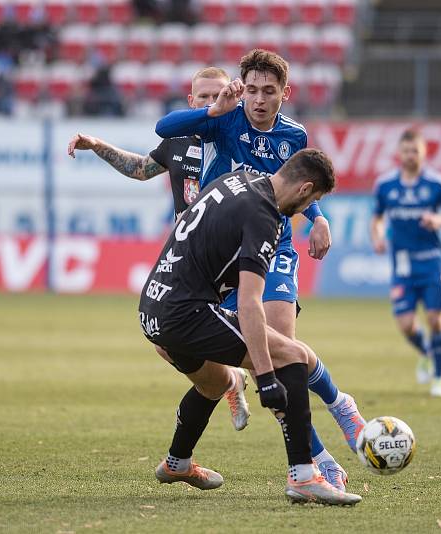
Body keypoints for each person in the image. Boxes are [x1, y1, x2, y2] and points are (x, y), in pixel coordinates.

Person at [155, 49, 365, 488]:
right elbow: (164, 128)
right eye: (251, 89)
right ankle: (318, 453)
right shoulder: (228, 118)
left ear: (285, 94)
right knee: (259, 356)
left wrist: (319, 218)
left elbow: (295, 185)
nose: (258, 100)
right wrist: (215, 107)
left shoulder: (294, 134)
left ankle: (337, 410)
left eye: (268, 91)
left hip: (276, 243)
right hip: (228, 253)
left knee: (279, 347)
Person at [139, 149, 361, 506]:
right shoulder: (265, 216)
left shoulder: (237, 179)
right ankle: (304, 476)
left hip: (152, 307)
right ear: (305, 190)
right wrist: (267, 376)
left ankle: (178, 463)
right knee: (293, 354)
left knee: (216, 382)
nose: (305, 211)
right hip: (185, 312)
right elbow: (249, 303)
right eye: (313, 201)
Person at [68, 67, 252, 433]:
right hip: (189, 261)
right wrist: (98, 145)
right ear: (192, 101)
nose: (212, 102)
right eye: (204, 96)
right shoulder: (179, 139)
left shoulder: (243, 139)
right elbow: (140, 169)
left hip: (234, 257)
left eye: (219, 95)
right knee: (166, 343)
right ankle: (230, 382)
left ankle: (295, 426)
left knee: (251, 334)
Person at [370, 129, 441, 398]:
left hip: (431, 263)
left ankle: (439, 378)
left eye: (415, 151)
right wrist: (378, 237)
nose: (410, 156)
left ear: (424, 153)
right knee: (405, 325)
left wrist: (440, 221)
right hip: (401, 265)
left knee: (436, 319)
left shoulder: (438, 184)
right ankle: (427, 353)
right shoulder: (385, 185)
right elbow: (377, 218)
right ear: (398, 153)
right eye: (405, 151)